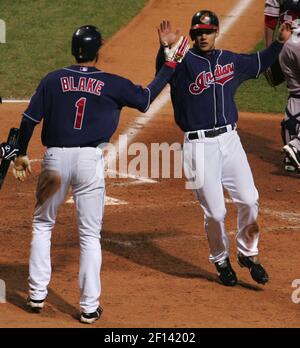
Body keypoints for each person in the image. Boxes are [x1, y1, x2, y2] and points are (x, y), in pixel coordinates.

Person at [12, 25, 189, 323]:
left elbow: (29, 119)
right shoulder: (111, 83)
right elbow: (146, 99)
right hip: (89, 162)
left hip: (55, 159)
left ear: (73, 49)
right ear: (98, 51)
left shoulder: (53, 79)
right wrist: (171, 64)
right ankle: (89, 307)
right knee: (89, 235)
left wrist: (20, 153)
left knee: (43, 226)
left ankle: (37, 295)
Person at [156, 11, 291, 286]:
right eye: (197, 32)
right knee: (216, 213)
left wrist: (279, 42)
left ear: (216, 32)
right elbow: (163, 71)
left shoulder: (229, 60)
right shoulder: (182, 64)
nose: (202, 36)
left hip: (230, 141)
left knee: (250, 199)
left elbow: (259, 62)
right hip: (198, 146)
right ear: (193, 35)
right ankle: (220, 259)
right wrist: (165, 49)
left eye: (207, 31)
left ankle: (248, 254)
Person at [264, 0, 300, 173]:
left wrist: (268, 56)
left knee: (296, 92)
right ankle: (298, 146)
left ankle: (290, 158)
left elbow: (270, 19)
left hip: (285, 43)